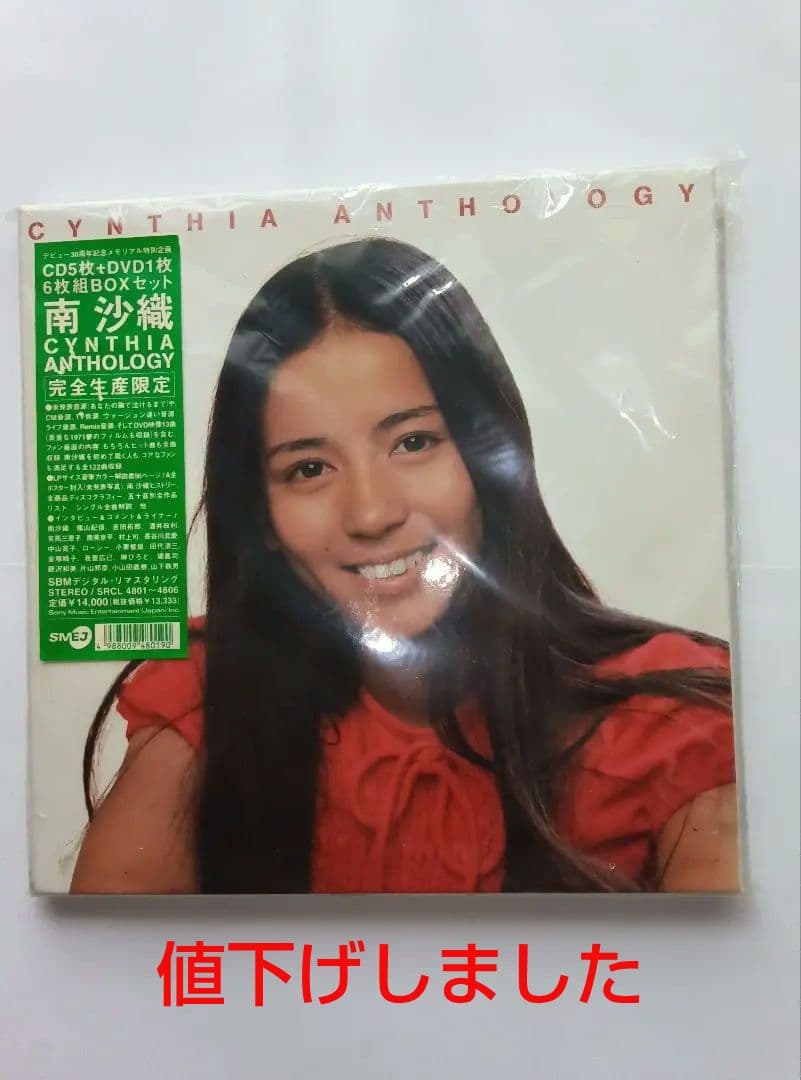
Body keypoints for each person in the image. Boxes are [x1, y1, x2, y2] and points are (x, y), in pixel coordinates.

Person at [71, 237, 739, 895]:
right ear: (261, 516)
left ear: (490, 458)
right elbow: (103, 958)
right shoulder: (209, 691)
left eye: (413, 442)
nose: (371, 513)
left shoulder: (673, 721)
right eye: (309, 468)